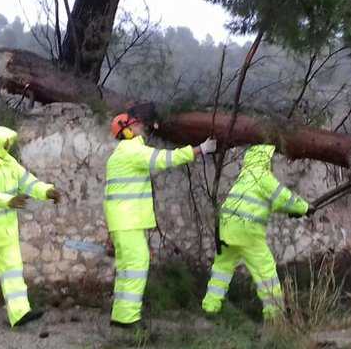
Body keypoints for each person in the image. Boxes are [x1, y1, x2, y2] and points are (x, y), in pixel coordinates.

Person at [104, 110, 215, 330]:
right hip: (129, 221)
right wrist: (199, 150)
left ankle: (121, 315)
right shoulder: (132, 151)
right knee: (137, 264)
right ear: (127, 131)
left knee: (126, 268)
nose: (140, 128)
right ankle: (129, 319)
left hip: (122, 222)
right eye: (136, 125)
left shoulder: (117, 155)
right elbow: (166, 159)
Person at [0, 126, 62, 327]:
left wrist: (46, 191)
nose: (9, 145)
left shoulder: (10, 163)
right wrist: (8, 201)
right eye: (6, 142)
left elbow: (27, 182)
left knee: (13, 273)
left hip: (7, 232)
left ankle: (19, 313)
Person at [201, 144, 309, 320]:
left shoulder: (244, 178)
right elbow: (283, 197)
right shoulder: (262, 177)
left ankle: (210, 307)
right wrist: (305, 208)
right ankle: (274, 314)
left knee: (221, 269)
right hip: (247, 232)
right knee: (266, 271)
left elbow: (264, 202)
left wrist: (291, 209)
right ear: (265, 160)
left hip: (226, 231)